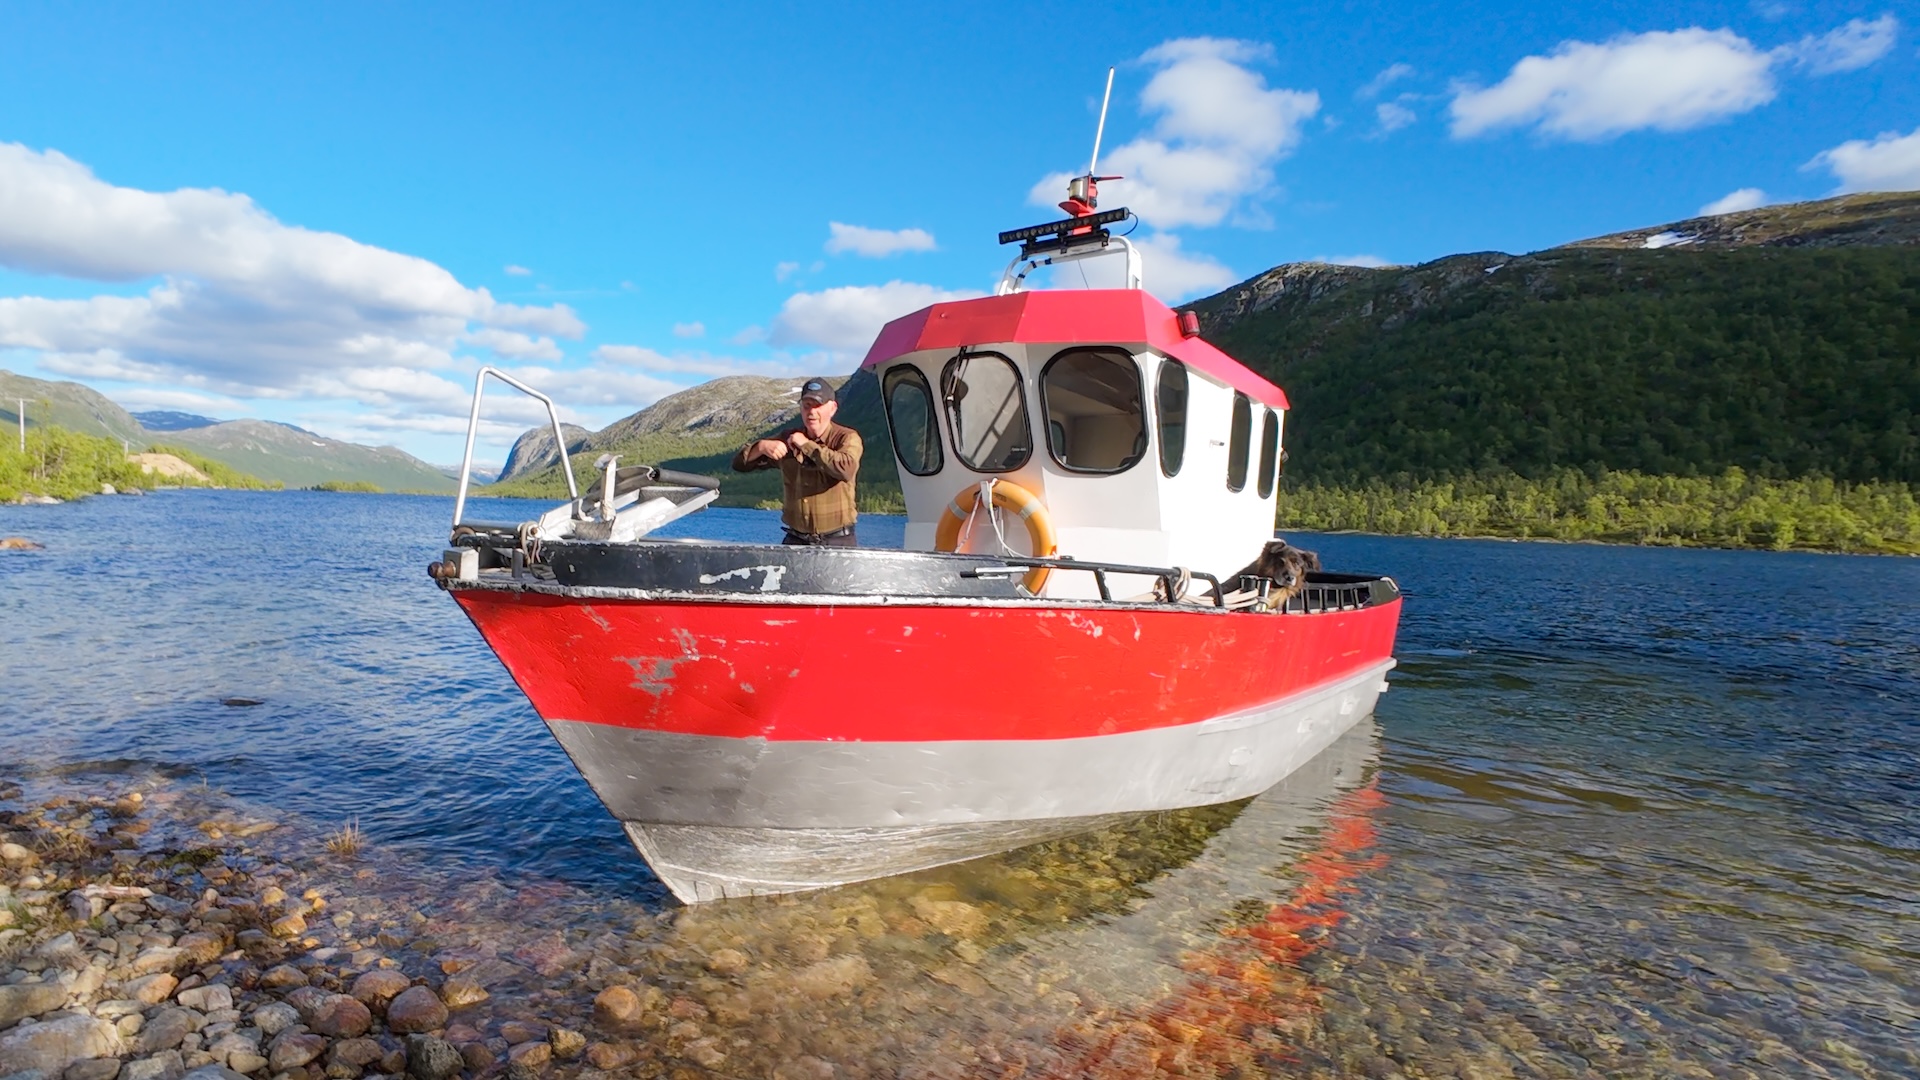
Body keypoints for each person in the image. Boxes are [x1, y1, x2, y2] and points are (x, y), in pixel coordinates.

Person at [731, 377, 863, 546]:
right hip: (796, 540)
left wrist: (806, 445)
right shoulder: (787, 438)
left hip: (838, 540)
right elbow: (739, 465)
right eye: (806, 405)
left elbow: (846, 468)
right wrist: (761, 447)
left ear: (832, 408)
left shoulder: (846, 437)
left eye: (817, 406)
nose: (811, 412)